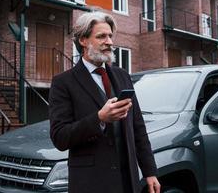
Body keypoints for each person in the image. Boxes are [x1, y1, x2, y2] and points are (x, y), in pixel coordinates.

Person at [49, 11, 160, 193]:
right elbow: (60, 137)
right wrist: (99, 118)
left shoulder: (122, 76)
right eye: (101, 36)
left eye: (110, 36)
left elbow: (138, 128)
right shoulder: (63, 82)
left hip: (127, 180)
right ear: (83, 41)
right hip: (91, 182)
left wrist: (149, 172)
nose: (109, 42)